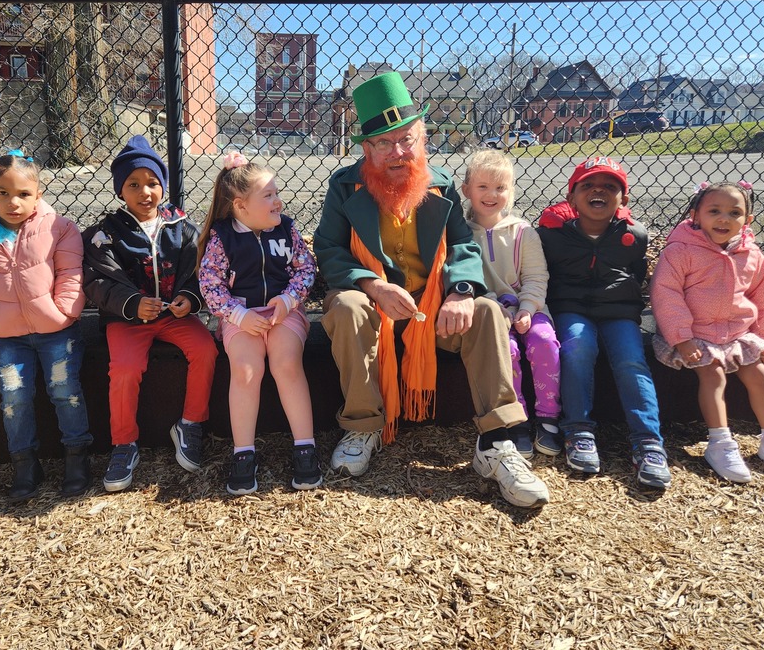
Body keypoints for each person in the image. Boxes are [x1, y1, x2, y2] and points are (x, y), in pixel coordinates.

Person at [314, 71, 549, 509]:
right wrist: (373, 285)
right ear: (366, 148)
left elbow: (462, 245)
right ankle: (363, 425)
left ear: (422, 137)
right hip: (371, 304)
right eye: (384, 143)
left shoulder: (438, 183)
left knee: (485, 311)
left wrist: (460, 291)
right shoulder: (344, 185)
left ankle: (496, 444)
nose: (399, 152)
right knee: (346, 305)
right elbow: (327, 249)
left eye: (406, 138)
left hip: (431, 310)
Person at [0, 150, 93, 500]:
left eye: (23, 194)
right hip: (10, 336)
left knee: (65, 390)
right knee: (14, 397)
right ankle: (25, 462)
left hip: (57, 331)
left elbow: (71, 272)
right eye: (3, 192)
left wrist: (64, 311)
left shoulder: (59, 228)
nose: (13, 201)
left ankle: (78, 456)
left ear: (38, 194)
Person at [83, 136, 218, 492]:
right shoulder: (106, 235)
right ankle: (124, 443)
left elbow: (199, 274)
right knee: (126, 369)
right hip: (128, 320)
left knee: (205, 349)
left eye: (153, 183)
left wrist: (190, 298)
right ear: (120, 190)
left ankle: (190, 423)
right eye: (134, 184)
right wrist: (131, 304)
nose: (145, 192)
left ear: (164, 186)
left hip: (175, 315)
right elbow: (97, 281)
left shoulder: (183, 229)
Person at [650, 181, 764, 484]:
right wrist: (681, 338)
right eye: (715, 211)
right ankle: (720, 442)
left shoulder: (752, 255)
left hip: (737, 332)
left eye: (734, 213)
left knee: (758, 374)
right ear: (696, 215)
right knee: (713, 375)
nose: (724, 219)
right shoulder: (681, 251)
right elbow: (667, 294)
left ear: (747, 221)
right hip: (696, 334)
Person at [537, 156, 672, 489]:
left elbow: (636, 273)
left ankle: (647, 441)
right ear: (571, 197)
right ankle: (578, 429)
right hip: (571, 307)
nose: (599, 191)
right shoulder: (552, 235)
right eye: (588, 185)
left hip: (618, 310)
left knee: (631, 361)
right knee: (577, 349)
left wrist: (625, 302)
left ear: (623, 199)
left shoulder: (633, 234)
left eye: (609, 187)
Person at [198, 151, 320, 495]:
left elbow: (306, 270)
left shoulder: (287, 229)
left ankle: (305, 446)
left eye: (276, 192)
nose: (278, 202)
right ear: (241, 206)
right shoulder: (223, 237)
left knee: (285, 362)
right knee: (247, 370)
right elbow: (211, 285)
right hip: (240, 315)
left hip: (284, 311)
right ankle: (243, 452)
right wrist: (239, 315)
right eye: (268, 195)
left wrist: (288, 300)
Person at [461, 150, 562, 458]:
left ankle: (548, 417)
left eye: (501, 188)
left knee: (544, 342)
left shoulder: (523, 232)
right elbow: (465, 279)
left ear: (511, 191)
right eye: (483, 187)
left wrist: (528, 308)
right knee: (507, 350)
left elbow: (536, 276)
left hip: (529, 309)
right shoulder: (462, 233)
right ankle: (515, 418)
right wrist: (496, 306)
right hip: (491, 313)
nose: (492, 195)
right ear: (466, 190)